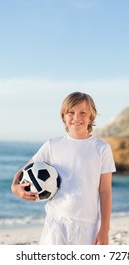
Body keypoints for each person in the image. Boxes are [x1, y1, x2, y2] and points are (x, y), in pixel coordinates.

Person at [11, 92, 116, 245]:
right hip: (56, 223)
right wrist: (15, 187)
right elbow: (25, 169)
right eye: (71, 113)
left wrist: (104, 230)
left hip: (87, 226)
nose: (76, 118)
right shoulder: (52, 145)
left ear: (91, 117)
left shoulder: (101, 149)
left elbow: (105, 191)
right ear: (64, 116)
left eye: (83, 113)